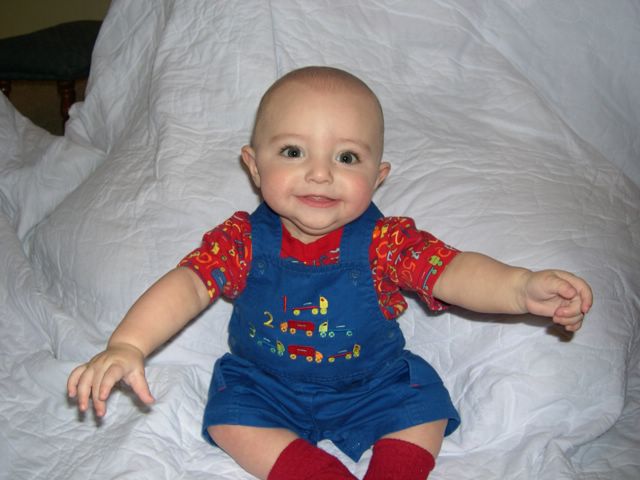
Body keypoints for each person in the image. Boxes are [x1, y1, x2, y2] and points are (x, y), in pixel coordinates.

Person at [67, 66, 593, 480]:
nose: (319, 173)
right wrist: (128, 344)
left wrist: (519, 287)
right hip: (264, 387)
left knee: (422, 410)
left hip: (374, 383)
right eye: (293, 151)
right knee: (230, 420)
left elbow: (452, 271)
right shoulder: (241, 241)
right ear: (254, 165)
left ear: (377, 177)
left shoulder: (387, 243)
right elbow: (187, 283)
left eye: (346, 157)